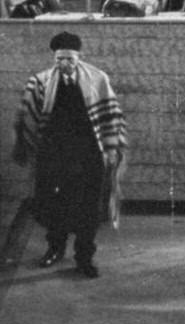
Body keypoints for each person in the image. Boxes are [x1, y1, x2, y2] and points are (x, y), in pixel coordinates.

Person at [13, 32, 126, 279]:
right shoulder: (41, 81)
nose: (65, 64)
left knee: (88, 207)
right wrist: (32, 149)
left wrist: (109, 149)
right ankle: (55, 248)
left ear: (79, 57)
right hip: (55, 153)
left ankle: (84, 257)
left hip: (88, 154)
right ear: (54, 58)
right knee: (55, 204)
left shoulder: (98, 80)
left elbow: (110, 117)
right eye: (60, 59)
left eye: (70, 59)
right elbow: (27, 118)